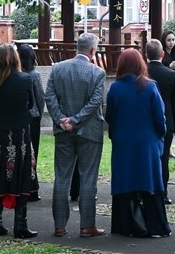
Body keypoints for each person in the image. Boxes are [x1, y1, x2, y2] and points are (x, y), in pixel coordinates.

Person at [45, 33, 106, 238]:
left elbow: (49, 97)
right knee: (88, 178)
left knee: (62, 176)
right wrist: (76, 120)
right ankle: (87, 226)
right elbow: (95, 101)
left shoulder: (58, 68)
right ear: (92, 50)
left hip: (63, 131)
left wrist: (62, 119)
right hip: (89, 131)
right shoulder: (97, 72)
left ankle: (59, 225)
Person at [106, 48, 171, 238]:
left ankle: (124, 226)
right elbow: (160, 117)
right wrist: (160, 135)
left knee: (125, 183)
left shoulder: (115, 88)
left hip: (123, 142)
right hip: (147, 142)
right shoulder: (150, 87)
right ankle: (156, 226)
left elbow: (110, 116)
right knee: (149, 182)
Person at [0, 45, 39, 238]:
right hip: (20, 134)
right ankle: (20, 225)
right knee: (21, 174)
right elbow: (31, 104)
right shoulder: (25, 79)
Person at [147, 38, 175, 204]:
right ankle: (163, 192)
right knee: (163, 158)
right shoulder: (170, 74)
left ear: (146, 55)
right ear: (162, 54)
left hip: (145, 120)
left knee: (146, 157)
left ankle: (146, 190)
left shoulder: (142, 72)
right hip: (166, 118)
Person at [17, 43, 45, 202]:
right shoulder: (34, 75)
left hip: (20, 118)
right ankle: (32, 188)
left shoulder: (16, 74)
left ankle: (22, 186)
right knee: (33, 153)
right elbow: (40, 98)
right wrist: (39, 114)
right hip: (33, 118)